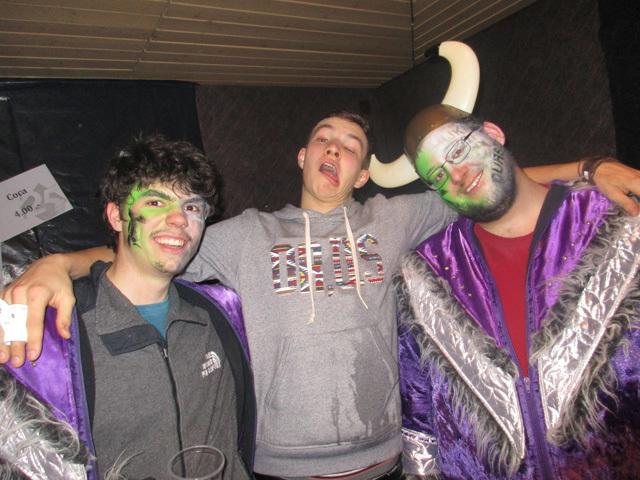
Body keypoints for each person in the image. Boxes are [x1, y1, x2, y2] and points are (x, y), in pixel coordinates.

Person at [2, 112, 640, 479]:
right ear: (303, 155)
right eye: (324, 139)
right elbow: (152, 249)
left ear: (361, 174)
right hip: (282, 466)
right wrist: (58, 262)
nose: (336, 148)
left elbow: (485, 186)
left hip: (384, 459)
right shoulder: (244, 235)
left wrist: (587, 168)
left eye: (352, 146)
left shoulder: (396, 217)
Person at [396, 105, 640, 478]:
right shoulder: (425, 274)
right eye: (438, 175)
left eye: (458, 151)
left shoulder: (618, 219)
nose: (457, 175)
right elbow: (418, 409)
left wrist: (590, 168)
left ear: (493, 133)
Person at [2, 135, 255, 479]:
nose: (179, 219)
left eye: (192, 207)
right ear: (117, 216)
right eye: (156, 202)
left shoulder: (219, 314)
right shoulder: (52, 334)